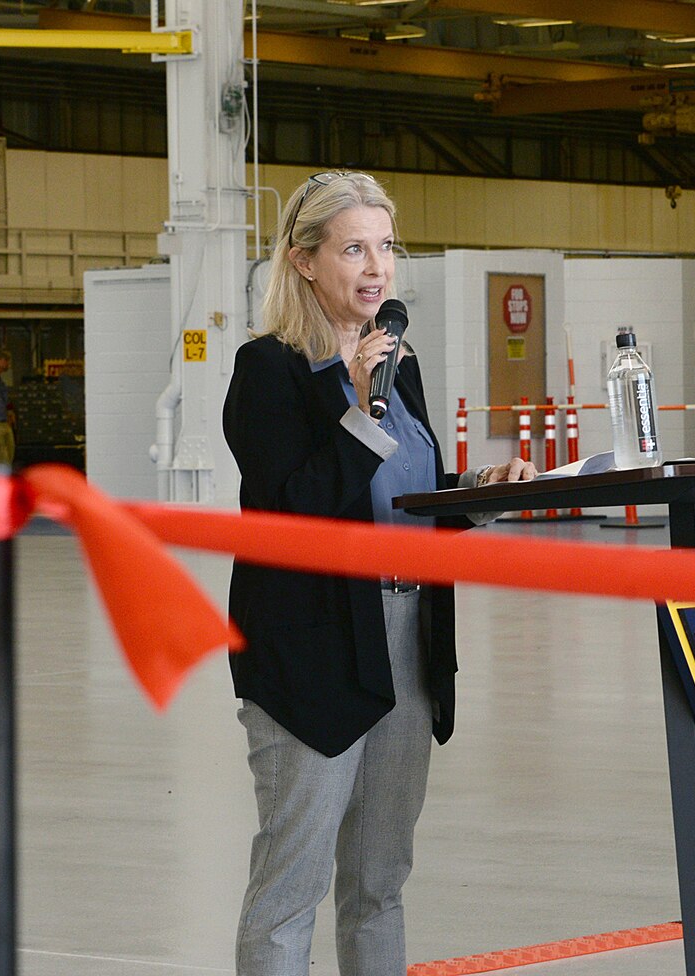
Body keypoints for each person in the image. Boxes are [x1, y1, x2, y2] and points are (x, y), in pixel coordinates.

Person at [223, 171, 535, 975]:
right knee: (291, 884)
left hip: (407, 642)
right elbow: (296, 510)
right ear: (303, 259)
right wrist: (357, 407)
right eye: (354, 248)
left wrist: (479, 496)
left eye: (385, 247)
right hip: (310, 654)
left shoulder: (401, 366)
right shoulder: (268, 372)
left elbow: (409, 502)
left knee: (379, 882)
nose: (376, 267)